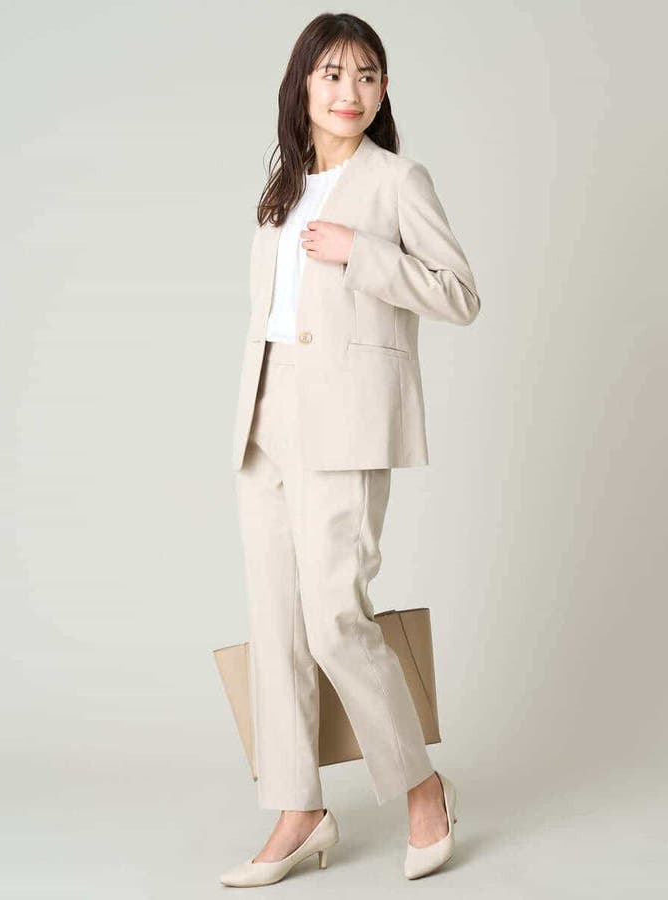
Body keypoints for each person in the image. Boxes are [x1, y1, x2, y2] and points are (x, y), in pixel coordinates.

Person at [221, 12, 478, 887]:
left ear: (384, 89)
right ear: (303, 85)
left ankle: (422, 786)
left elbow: (458, 293)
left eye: (367, 75)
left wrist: (362, 251)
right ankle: (298, 809)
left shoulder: (397, 181)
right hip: (266, 418)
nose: (349, 91)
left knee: (335, 616)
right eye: (332, 74)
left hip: (347, 417)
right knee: (276, 624)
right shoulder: (282, 189)